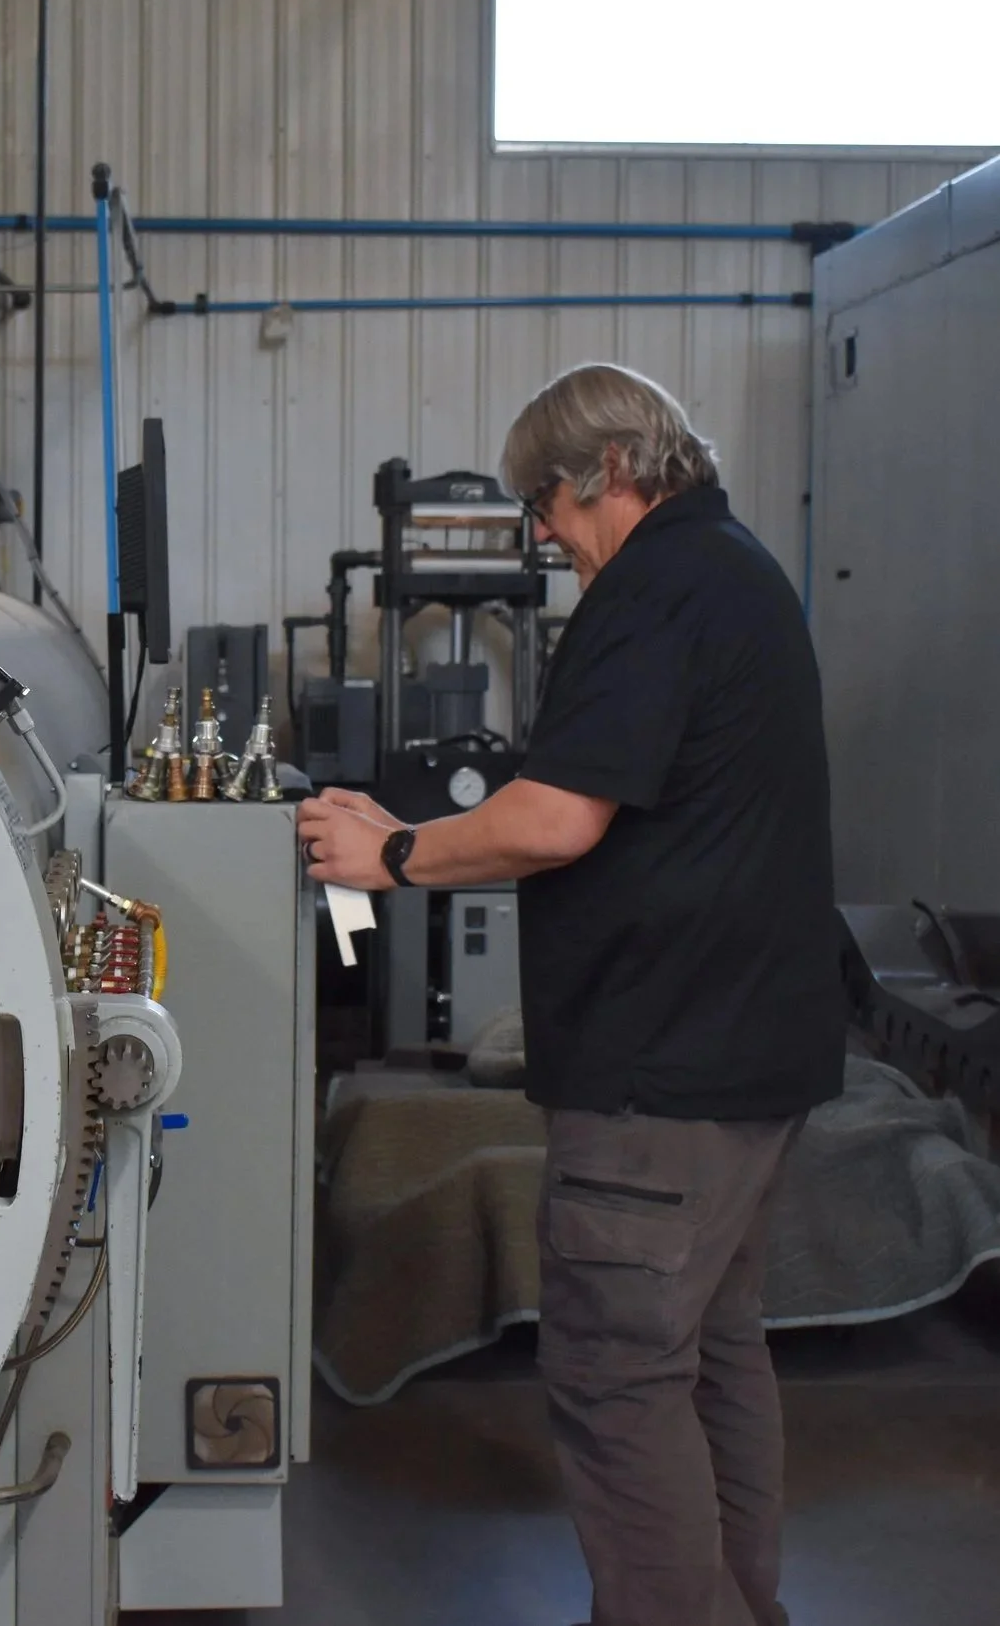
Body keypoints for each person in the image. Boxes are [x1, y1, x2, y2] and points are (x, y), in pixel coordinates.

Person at [296, 363, 844, 1626]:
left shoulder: (651, 591)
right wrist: (413, 827)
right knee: (711, 1359)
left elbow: (551, 819)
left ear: (607, 471)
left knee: (615, 1376)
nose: (540, 532)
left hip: (662, 1074)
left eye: (542, 501)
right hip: (755, 1059)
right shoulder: (739, 574)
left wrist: (386, 853)